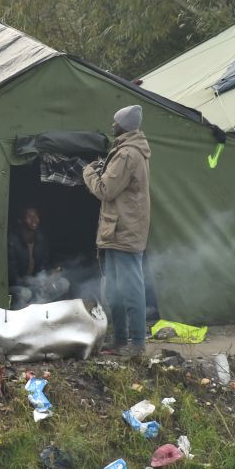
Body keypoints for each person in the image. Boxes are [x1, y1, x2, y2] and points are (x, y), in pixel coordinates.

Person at [83, 104, 151, 357]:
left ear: (124, 126)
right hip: (117, 230)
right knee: (114, 289)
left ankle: (136, 343)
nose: (112, 126)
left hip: (124, 231)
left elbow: (104, 190)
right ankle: (121, 339)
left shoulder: (126, 155)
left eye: (115, 122)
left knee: (131, 288)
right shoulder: (129, 151)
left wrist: (88, 172)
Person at [7, 206, 70, 309]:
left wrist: (50, 276)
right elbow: (12, 276)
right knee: (25, 293)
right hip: (17, 286)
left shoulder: (41, 239)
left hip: (36, 285)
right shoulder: (12, 241)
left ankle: (38, 308)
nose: (35, 219)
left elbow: (44, 267)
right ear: (20, 220)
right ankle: (25, 313)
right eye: (30, 216)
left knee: (64, 283)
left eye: (36, 216)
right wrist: (32, 281)